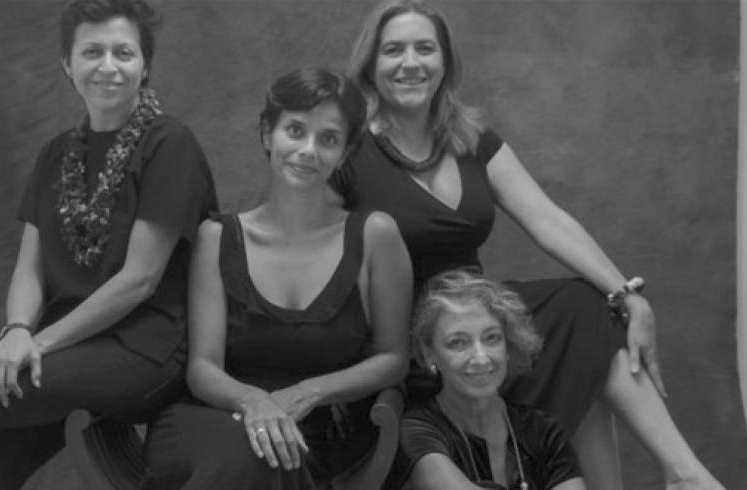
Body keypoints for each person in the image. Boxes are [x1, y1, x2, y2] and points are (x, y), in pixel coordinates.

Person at [331, 1, 724, 489]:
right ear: (370, 64)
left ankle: (683, 473)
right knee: (580, 334)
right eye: (393, 50)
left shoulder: (471, 139)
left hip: (479, 316)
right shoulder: (347, 149)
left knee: (590, 310)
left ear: (445, 61)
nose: (410, 62)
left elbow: (548, 221)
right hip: (414, 338)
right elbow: (317, 255)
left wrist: (627, 295)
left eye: (424, 49)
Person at [0, 1, 218, 488]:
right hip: (66, 348)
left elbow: (139, 280)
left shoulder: (169, 143)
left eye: (123, 53)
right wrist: (16, 330)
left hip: (146, 350)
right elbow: (29, 269)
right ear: (67, 65)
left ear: (145, 66)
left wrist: (37, 344)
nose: (108, 66)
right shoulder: (55, 154)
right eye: (92, 52)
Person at [141, 66, 412, 489]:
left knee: (272, 454)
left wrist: (310, 391)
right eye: (295, 131)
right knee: (257, 450)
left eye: (328, 139)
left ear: (344, 154)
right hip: (210, 422)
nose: (308, 150)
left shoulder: (375, 236)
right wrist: (254, 402)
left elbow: (393, 359)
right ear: (268, 134)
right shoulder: (218, 237)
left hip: (315, 438)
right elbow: (202, 367)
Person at [385, 271, 584, 490]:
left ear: (508, 346)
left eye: (492, 338)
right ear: (429, 354)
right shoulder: (417, 431)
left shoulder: (542, 431)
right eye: (458, 343)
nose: (481, 358)